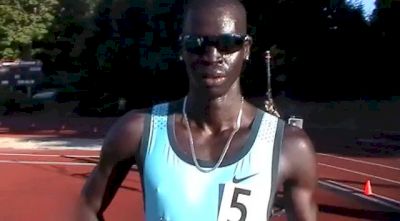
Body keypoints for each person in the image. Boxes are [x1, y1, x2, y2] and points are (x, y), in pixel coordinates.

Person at [77, 0, 318, 220]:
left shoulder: (289, 144)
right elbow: (86, 207)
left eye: (227, 43)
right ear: (182, 48)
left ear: (246, 49)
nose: (212, 56)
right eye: (196, 45)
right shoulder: (138, 130)